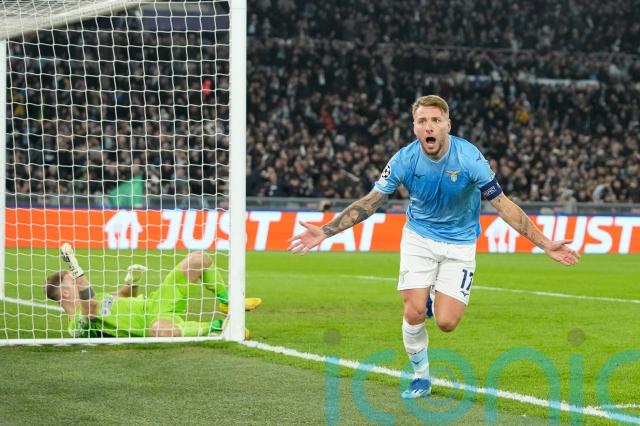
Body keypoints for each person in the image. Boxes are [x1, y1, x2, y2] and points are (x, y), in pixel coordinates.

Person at [287, 95, 580, 399]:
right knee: (413, 311)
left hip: (460, 243)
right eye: (422, 121)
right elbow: (371, 202)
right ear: (414, 127)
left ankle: (432, 298)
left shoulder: (470, 158)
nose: (429, 127)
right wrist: (326, 231)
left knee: (447, 322)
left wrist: (545, 243)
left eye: (436, 120)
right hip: (419, 238)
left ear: (447, 125)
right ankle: (421, 377)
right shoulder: (404, 160)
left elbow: (503, 205)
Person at [45, 243, 262, 338]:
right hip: (152, 323)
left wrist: (132, 282)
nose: (77, 281)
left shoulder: (101, 298)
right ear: (65, 293)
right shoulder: (75, 327)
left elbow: (122, 297)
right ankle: (220, 327)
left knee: (198, 259)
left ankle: (228, 301)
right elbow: (90, 308)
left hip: (156, 301)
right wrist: (74, 266)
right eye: (72, 281)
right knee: (160, 331)